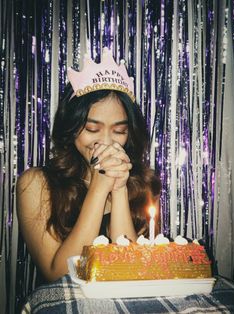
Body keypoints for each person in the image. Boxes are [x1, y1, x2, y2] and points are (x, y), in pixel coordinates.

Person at [16, 48, 161, 284]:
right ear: (71, 128)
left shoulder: (143, 184)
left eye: (119, 131)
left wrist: (119, 189)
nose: (105, 142)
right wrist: (98, 188)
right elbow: (58, 274)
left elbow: (133, 270)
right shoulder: (35, 183)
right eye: (92, 129)